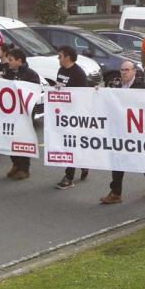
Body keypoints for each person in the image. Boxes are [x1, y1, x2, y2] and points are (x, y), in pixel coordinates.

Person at [100, 60, 145, 204]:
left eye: (127, 70)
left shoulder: (142, 87)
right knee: (118, 161)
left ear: (134, 71)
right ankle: (116, 193)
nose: (124, 72)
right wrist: (97, 92)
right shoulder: (116, 88)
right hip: (120, 131)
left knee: (143, 159)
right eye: (122, 70)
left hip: (138, 131)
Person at [54, 45, 90, 189]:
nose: (58, 58)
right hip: (63, 113)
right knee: (68, 144)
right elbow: (60, 86)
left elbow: (82, 95)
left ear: (68, 57)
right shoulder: (61, 70)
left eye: (60, 56)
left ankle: (69, 177)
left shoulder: (78, 73)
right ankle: (84, 163)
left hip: (75, 114)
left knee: (71, 144)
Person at [1, 48, 40, 181]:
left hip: (24, 113)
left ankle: (24, 168)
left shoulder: (31, 75)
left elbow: (33, 93)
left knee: (23, 140)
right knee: (10, 138)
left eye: (11, 60)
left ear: (19, 61)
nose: (8, 62)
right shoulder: (8, 72)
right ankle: (15, 163)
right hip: (10, 111)